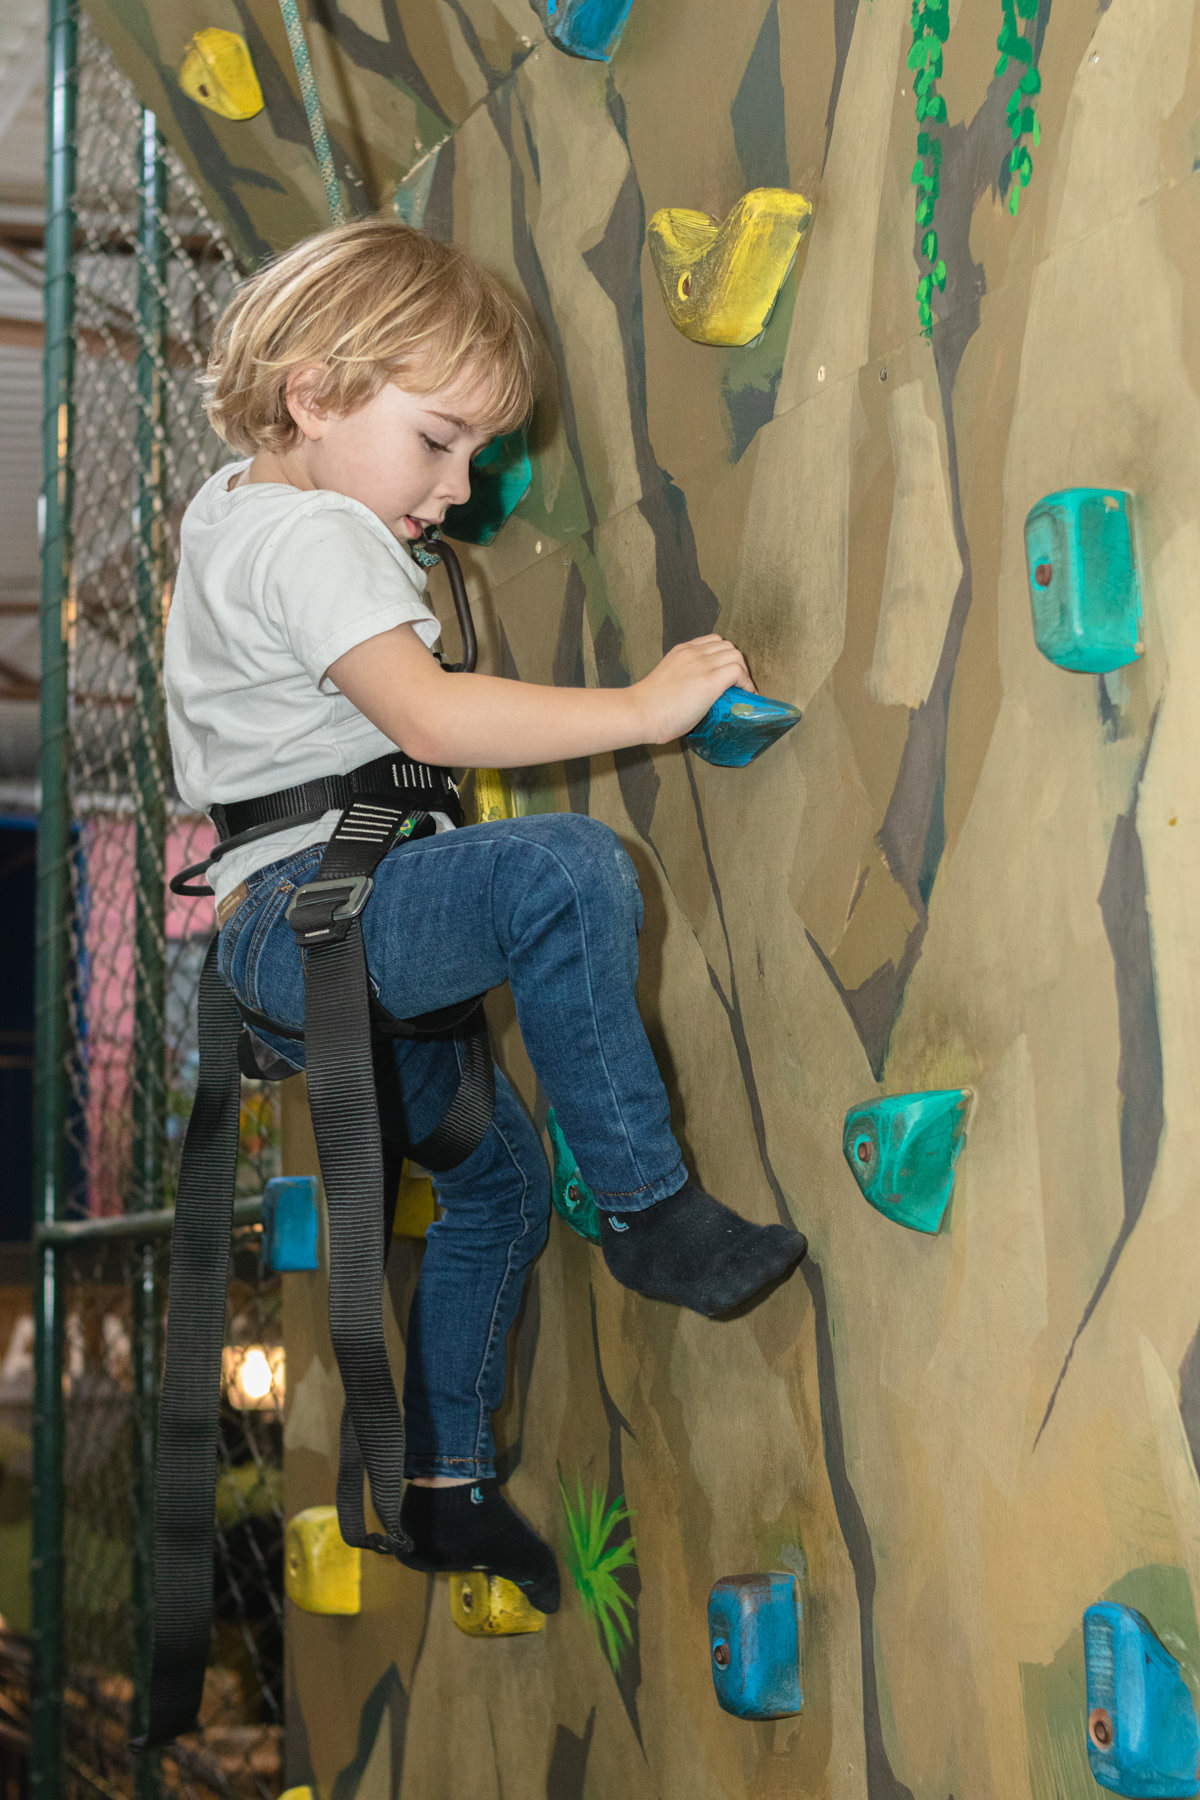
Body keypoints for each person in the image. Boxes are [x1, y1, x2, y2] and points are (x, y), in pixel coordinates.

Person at [164, 218, 807, 1617]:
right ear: (317, 394)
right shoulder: (311, 531)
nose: (455, 489)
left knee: (497, 1191)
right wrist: (649, 708)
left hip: (310, 939)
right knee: (564, 871)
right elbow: (428, 716)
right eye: (440, 440)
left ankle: (440, 1490)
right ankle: (647, 1208)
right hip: (328, 918)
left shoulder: (233, 506)